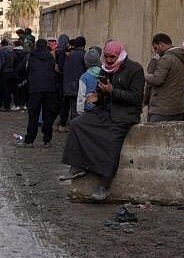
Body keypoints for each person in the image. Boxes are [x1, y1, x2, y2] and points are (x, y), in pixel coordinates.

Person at [60, 40, 144, 201]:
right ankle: (77, 165)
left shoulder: (135, 70)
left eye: (112, 57)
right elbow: (102, 92)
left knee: (111, 142)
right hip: (105, 110)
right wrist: (97, 97)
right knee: (78, 124)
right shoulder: (105, 69)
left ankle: (104, 185)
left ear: (119, 56)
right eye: (106, 57)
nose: (110, 60)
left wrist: (112, 91)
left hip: (124, 114)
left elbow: (135, 98)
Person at [145, 33, 184, 122]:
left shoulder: (165, 59)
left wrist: (145, 76)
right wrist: (178, 82)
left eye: (156, 48)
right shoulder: (182, 57)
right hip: (178, 108)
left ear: (161, 44)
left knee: (155, 135)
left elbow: (157, 80)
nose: (156, 52)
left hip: (162, 109)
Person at [19, 39, 58, 146]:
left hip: (34, 88)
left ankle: (30, 140)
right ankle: (47, 140)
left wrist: (27, 79)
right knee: (47, 115)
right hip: (49, 89)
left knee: (33, 115)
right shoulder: (50, 57)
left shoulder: (30, 56)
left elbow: (21, 69)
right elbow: (54, 70)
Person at [61, 36, 86, 127]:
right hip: (78, 85)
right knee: (76, 109)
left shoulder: (69, 55)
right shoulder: (84, 55)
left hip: (68, 85)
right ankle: (74, 128)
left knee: (67, 106)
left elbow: (63, 69)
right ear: (83, 45)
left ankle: (63, 125)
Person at [76, 47, 102, 115]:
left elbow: (81, 96)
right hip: (101, 109)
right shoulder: (103, 74)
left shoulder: (84, 77)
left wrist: (80, 111)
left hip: (88, 109)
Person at [0, 39, 15, 111]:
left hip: (4, 72)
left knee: (4, 89)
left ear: (2, 44)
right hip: (11, 71)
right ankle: (8, 105)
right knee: (9, 89)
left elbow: (2, 62)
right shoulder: (11, 50)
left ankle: (5, 106)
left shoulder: (2, 51)